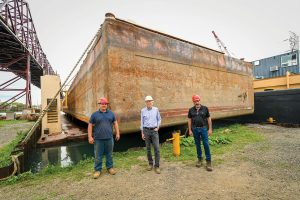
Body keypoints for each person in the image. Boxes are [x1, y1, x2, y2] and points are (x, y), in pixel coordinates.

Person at [88, 97, 120, 179]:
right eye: (102, 104)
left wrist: (117, 133)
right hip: (98, 139)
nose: (104, 105)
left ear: (107, 105)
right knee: (98, 155)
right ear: (99, 105)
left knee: (109, 154)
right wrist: (90, 136)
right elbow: (90, 125)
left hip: (109, 138)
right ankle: (98, 170)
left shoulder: (111, 114)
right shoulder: (94, 115)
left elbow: (115, 123)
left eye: (105, 104)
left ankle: (110, 167)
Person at [188, 95, 213, 171]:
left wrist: (210, 129)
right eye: (195, 101)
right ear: (193, 102)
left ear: (200, 100)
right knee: (197, 145)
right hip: (195, 129)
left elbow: (209, 118)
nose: (197, 102)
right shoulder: (191, 110)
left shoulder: (205, 108)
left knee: (206, 144)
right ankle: (200, 159)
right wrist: (190, 130)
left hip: (203, 129)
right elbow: (189, 120)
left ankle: (208, 162)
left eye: (198, 100)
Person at [141, 95, 162, 174]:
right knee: (148, 148)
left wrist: (158, 127)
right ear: (145, 103)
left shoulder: (156, 110)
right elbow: (142, 122)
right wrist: (142, 132)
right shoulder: (143, 111)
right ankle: (150, 164)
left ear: (152, 102)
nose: (149, 102)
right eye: (147, 101)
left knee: (157, 148)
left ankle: (157, 166)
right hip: (146, 131)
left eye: (150, 101)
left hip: (154, 131)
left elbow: (159, 119)